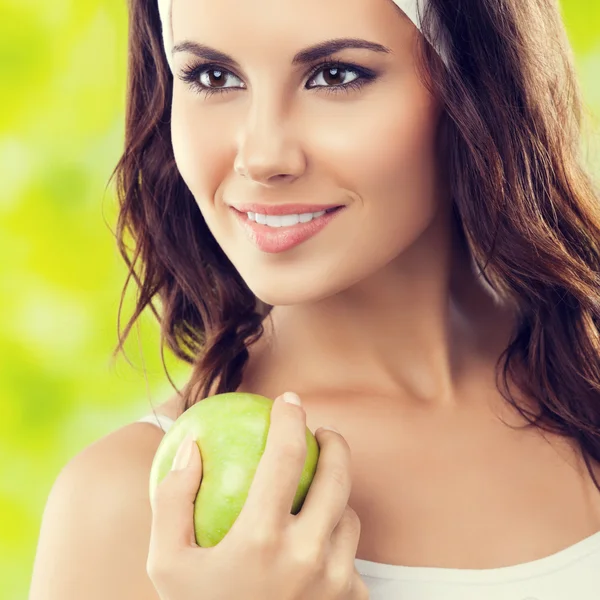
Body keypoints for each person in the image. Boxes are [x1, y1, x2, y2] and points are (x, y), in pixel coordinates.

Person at [29, 0, 600, 598]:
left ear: (478, 87)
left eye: (334, 75)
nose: (262, 156)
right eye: (212, 77)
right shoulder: (136, 504)